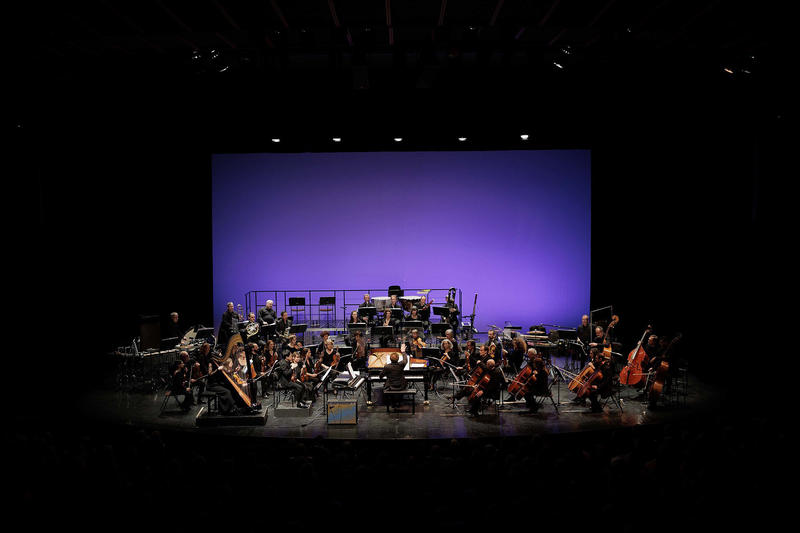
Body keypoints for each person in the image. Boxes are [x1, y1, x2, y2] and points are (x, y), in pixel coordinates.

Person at [380, 344, 408, 409]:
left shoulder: (387, 366)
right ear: (398, 359)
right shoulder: (402, 364)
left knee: (386, 385)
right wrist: (403, 352)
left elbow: (381, 376)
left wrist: (383, 371)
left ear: (390, 359)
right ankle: (399, 401)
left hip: (391, 387)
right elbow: (405, 359)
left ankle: (393, 402)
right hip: (401, 386)